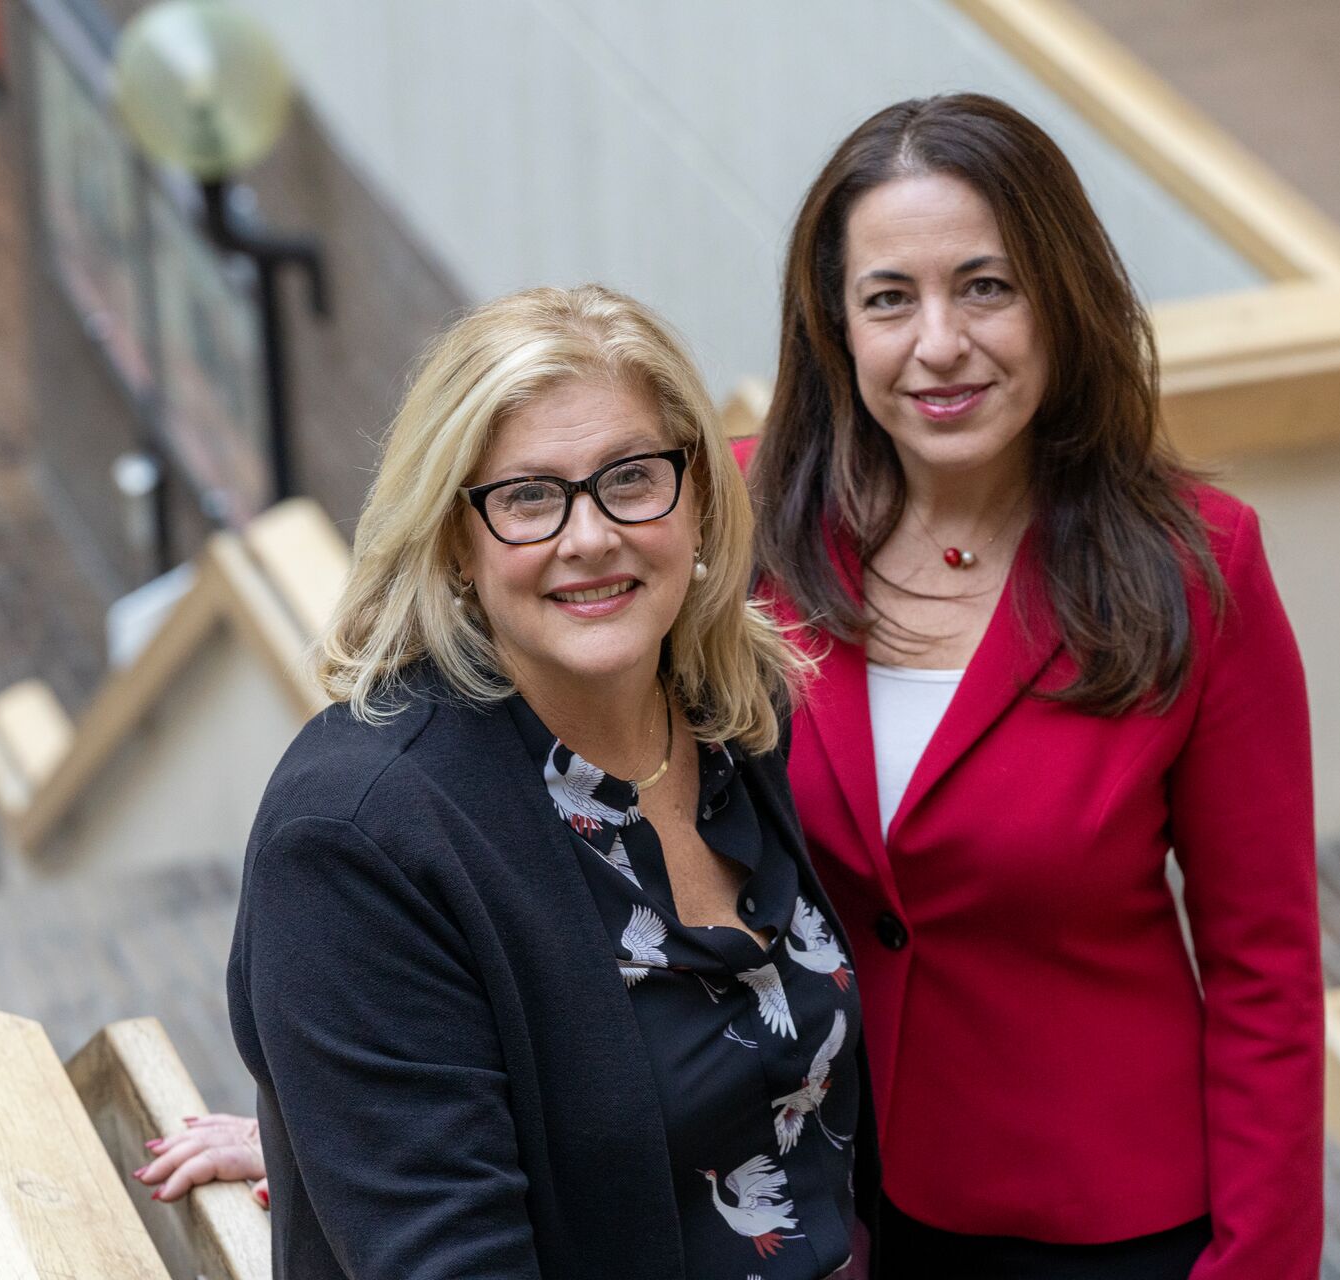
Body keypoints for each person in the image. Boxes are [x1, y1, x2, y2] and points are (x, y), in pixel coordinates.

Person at [140, 284, 879, 1279]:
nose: (589, 535)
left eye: (630, 476)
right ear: (455, 540)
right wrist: (343, 1127)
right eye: (529, 495)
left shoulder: (735, 713)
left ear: (696, 495)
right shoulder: (358, 834)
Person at [740, 93, 1321, 1278]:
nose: (938, 343)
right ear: (837, 328)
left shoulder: (1198, 567)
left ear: (1062, 299)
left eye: (986, 286)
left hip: (1107, 1226)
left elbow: (1267, 972)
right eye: (889, 299)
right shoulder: (742, 534)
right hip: (816, 1198)